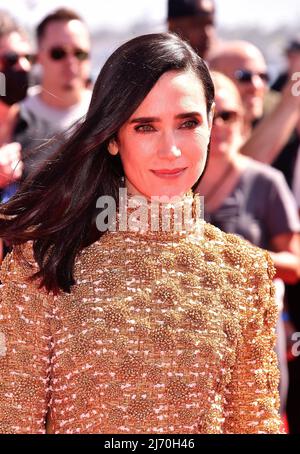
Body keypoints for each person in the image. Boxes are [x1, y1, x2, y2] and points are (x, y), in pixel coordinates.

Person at [0, 33, 281, 434]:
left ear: (210, 121)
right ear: (113, 137)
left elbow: (254, 424)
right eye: (145, 127)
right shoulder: (40, 262)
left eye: (187, 123)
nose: (170, 150)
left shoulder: (244, 270)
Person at [195, 71, 300, 414]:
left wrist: (238, 254)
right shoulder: (169, 183)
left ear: (243, 121)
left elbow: (295, 265)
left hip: (252, 340)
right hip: (188, 339)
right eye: (212, 116)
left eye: (230, 116)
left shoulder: (267, 182)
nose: (221, 125)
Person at [15, 8, 92, 179]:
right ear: (39, 57)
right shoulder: (16, 116)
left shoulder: (107, 113)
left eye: (79, 53)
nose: (70, 62)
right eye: (58, 53)